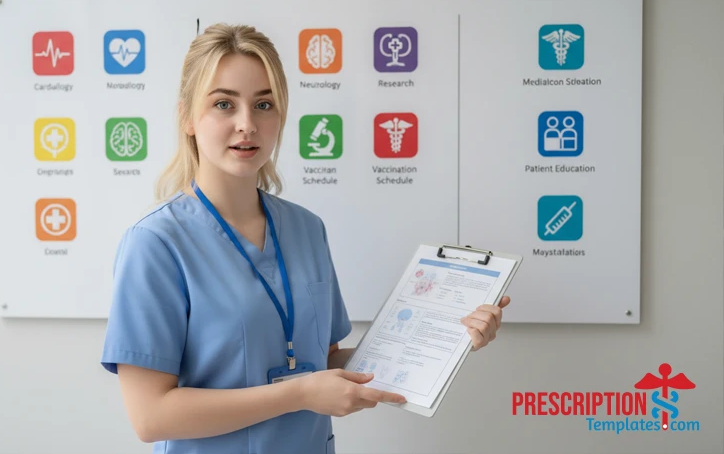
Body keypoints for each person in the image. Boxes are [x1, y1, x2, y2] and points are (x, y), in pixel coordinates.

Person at [100, 23, 512, 454]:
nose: (247, 124)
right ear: (187, 116)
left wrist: (445, 339)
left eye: (264, 104)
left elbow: (324, 362)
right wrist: (297, 395)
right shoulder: (155, 243)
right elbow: (151, 417)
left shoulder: (305, 228)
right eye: (224, 104)